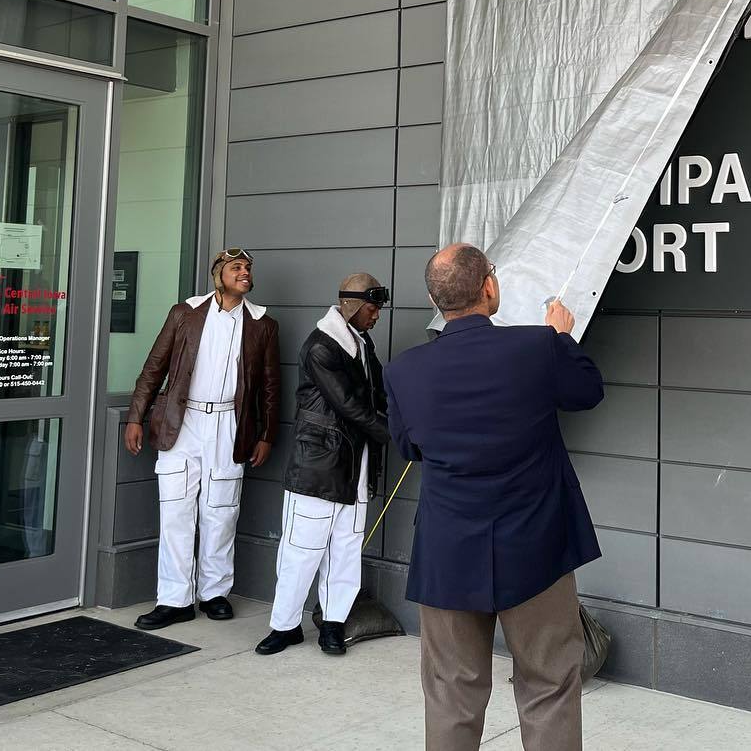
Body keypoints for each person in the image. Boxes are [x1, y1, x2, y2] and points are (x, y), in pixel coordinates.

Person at [384, 244, 604, 751]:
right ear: (488, 286)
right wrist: (562, 336)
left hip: (447, 550)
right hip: (537, 547)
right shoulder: (538, 346)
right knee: (549, 684)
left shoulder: (404, 370)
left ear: (437, 301)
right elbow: (588, 391)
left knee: (451, 695)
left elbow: (409, 447)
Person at [125, 248, 281, 630]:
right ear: (219, 275)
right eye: (236, 267)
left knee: (221, 512)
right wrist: (135, 417)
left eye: (248, 268)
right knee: (177, 510)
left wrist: (266, 435)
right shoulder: (185, 314)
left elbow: (270, 387)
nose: (245, 273)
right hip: (183, 420)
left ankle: (214, 593)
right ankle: (174, 599)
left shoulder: (262, 324)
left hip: (229, 423)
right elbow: (153, 368)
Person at [257, 273, 392, 657]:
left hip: (356, 464)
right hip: (319, 465)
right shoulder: (322, 346)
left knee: (346, 548)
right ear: (351, 305)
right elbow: (350, 405)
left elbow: (379, 395)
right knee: (302, 549)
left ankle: (333, 624)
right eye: (372, 307)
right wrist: (397, 433)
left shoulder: (362, 344)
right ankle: (285, 626)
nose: (376, 315)